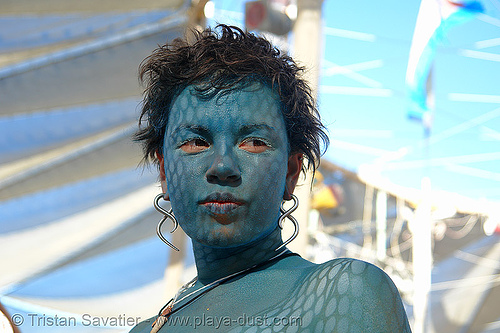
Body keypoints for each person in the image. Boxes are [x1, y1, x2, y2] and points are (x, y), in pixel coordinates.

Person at [130, 24, 411, 333]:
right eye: (195, 142)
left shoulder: (343, 293)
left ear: (291, 172)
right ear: (164, 173)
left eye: (254, 142)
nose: (222, 166)